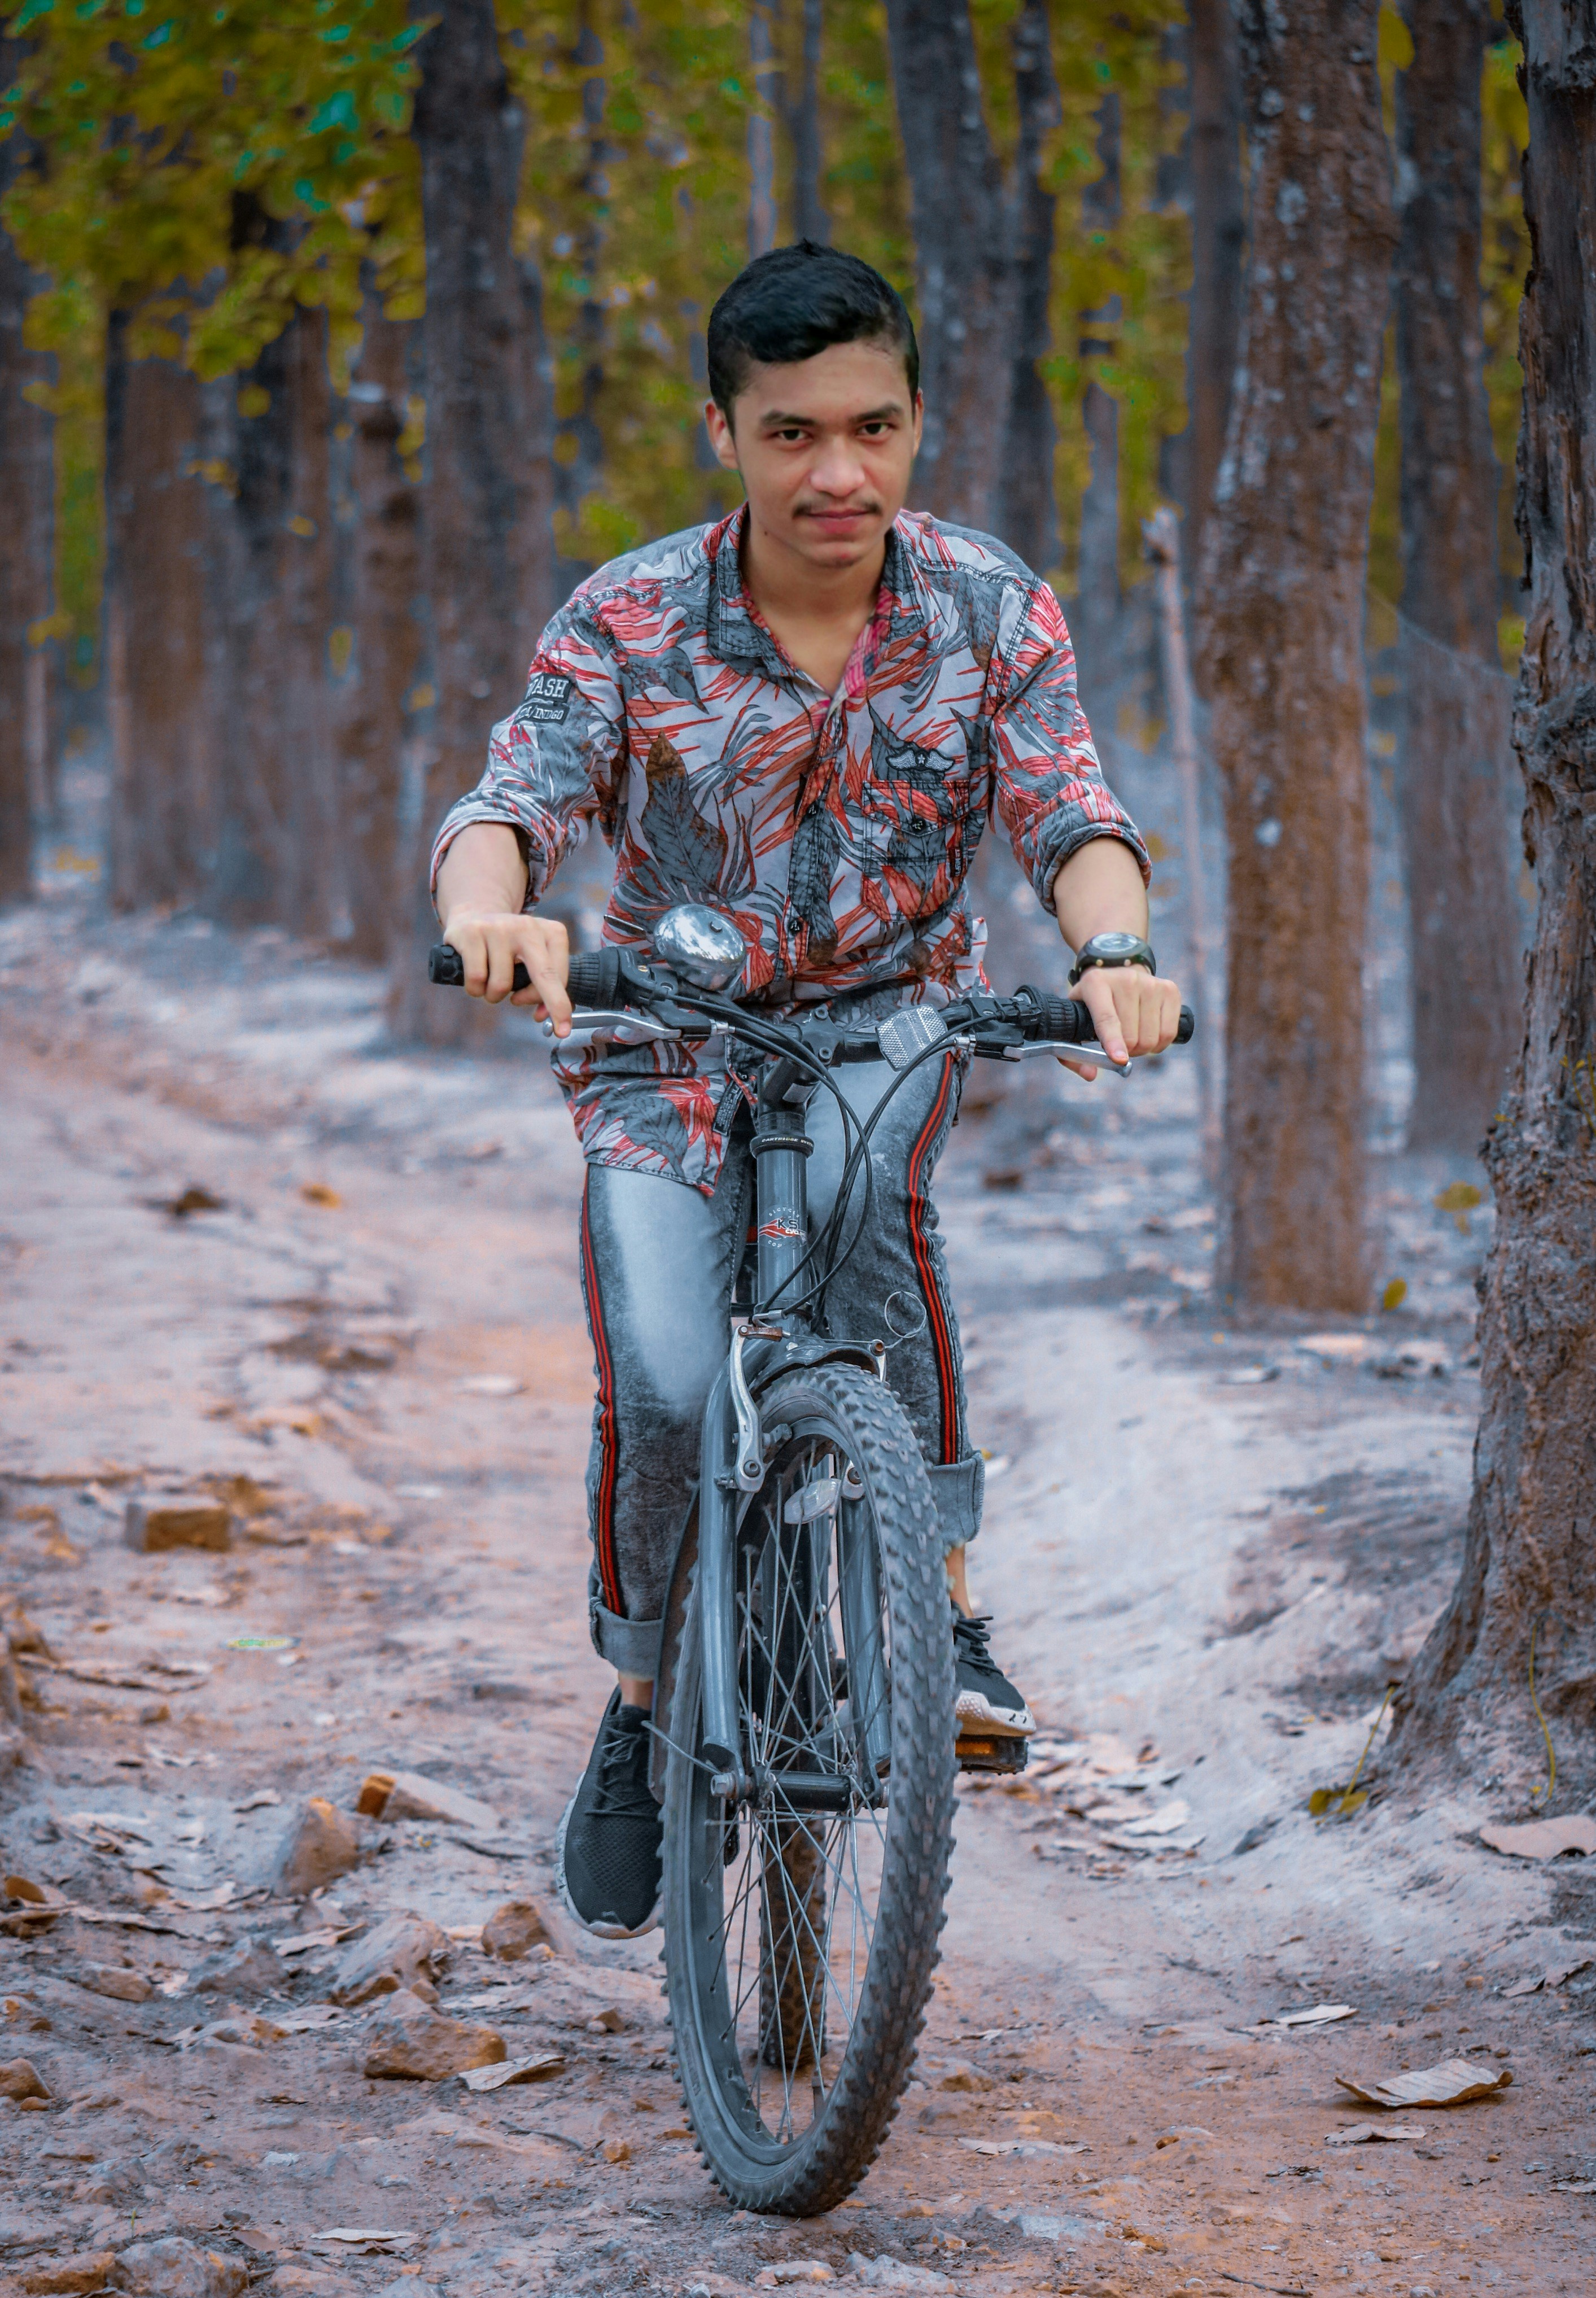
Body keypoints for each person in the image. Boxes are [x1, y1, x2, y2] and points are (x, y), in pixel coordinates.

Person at [430, 242, 1183, 1939]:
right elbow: (514, 799)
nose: (835, 473)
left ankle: (945, 1612)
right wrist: (488, 916)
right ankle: (638, 1709)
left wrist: (1115, 950)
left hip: (882, 1020)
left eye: (870, 427)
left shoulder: (990, 605)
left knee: (869, 1223)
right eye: (790, 434)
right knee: (678, 1381)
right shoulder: (626, 615)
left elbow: (1069, 815)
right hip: (654, 1035)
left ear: (914, 424)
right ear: (725, 433)